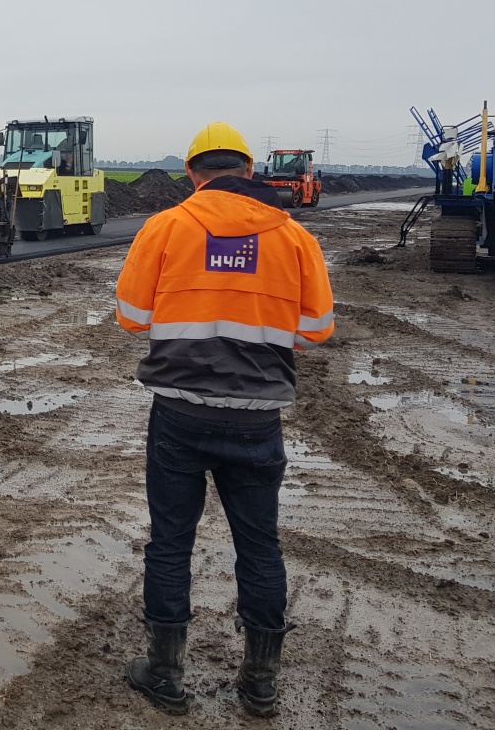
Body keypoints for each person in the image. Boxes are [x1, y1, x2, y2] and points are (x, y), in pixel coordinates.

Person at [114, 122, 333, 718]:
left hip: (179, 415)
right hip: (258, 419)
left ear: (192, 173)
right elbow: (316, 330)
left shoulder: (165, 228)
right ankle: (260, 683)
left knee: (170, 544)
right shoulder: (293, 238)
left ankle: (164, 674)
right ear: (251, 172)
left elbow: (132, 318)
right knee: (260, 548)